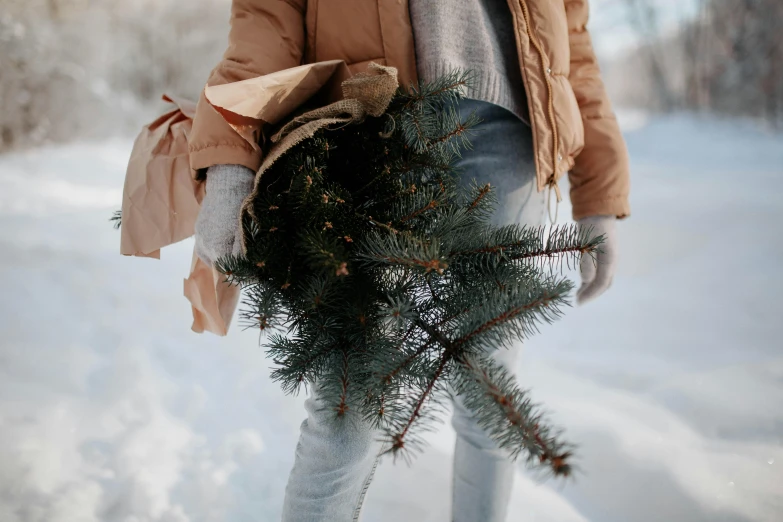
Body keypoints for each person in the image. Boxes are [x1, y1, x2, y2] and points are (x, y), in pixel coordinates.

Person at [189, 1, 630, 520]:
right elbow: (267, 16)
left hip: (507, 133)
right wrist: (230, 157)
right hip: (369, 120)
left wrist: (600, 190)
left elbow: (569, 41)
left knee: (486, 389)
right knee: (351, 407)